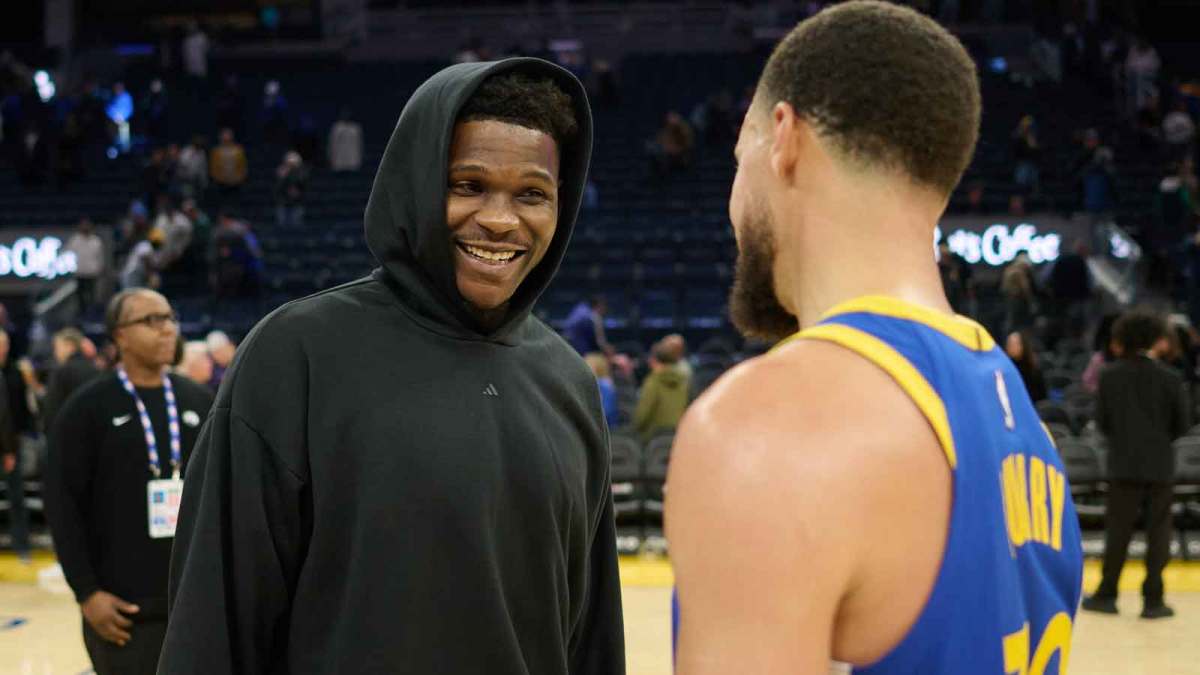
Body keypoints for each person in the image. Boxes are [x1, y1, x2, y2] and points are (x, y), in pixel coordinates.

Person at [159, 60, 624, 673]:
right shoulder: (297, 352)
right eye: (469, 185)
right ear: (416, 184)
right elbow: (214, 627)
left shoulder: (567, 382)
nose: (501, 220)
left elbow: (590, 638)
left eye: (532, 194)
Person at [665, 4, 1083, 673]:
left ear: (783, 138)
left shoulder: (767, 428)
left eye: (738, 154)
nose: (733, 202)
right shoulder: (1026, 420)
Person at [43, 290, 213, 675]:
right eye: (151, 320)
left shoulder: (201, 402)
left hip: (192, 605)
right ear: (119, 335)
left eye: (169, 317)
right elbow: (63, 504)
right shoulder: (86, 408)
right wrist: (86, 593)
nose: (167, 329)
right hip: (121, 610)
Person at [1083, 312, 1190, 620]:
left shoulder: (1109, 375)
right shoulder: (1170, 377)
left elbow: (1102, 423)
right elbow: (1182, 425)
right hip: (1159, 464)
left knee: (1117, 532)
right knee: (1159, 533)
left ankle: (1107, 593)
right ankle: (1153, 600)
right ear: (1156, 337)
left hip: (1122, 464)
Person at [0, 330, 27, 561]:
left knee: (17, 499)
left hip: (12, 445)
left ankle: (22, 547)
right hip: (8, 446)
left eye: (5, 345)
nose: (3, 349)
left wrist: (10, 449)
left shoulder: (16, 372)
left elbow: (14, 414)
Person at [42, 328, 102, 433]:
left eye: (57, 347)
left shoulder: (61, 372)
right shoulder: (96, 370)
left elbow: (52, 410)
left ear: (70, 346)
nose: (55, 353)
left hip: (68, 435)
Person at [633, 340, 691, 441]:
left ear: (655, 360)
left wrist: (635, 428)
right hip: (679, 436)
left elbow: (643, 415)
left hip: (654, 438)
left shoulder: (653, 382)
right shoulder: (685, 380)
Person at [66, 217, 106, 310]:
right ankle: (81, 316)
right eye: (83, 225)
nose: (85, 227)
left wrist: (100, 269)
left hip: (92, 273)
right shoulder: (75, 240)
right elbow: (68, 254)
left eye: (87, 225)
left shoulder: (96, 241)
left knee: (92, 296)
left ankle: (91, 315)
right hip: (80, 272)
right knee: (80, 298)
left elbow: (100, 257)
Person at [208, 129, 247, 208]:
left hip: (236, 183)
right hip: (220, 183)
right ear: (221, 137)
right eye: (224, 136)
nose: (226, 138)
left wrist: (239, 178)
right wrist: (218, 178)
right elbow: (213, 167)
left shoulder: (238, 150)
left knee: (235, 204)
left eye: (228, 135)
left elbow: (243, 166)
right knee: (221, 204)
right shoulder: (216, 151)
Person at [1005, 330, 1048, 402]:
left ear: (1023, 346)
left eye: (1014, 344)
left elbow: (1042, 396)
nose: (1011, 347)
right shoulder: (1005, 367)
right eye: (1009, 344)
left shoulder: (1034, 369)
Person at [585, 352, 620, 428]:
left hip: (607, 429)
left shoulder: (604, 385)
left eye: (588, 364)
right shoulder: (606, 384)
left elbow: (606, 412)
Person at [273, 150, 308, 227]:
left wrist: (296, 190)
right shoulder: (281, 171)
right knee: (282, 222)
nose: (291, 164)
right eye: (289, 162)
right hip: (283, 200)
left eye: (293, 162)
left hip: (297, 201)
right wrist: (282, 177)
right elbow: (277, 187)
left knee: (296, 222)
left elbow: (303, 184)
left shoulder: (301, 172)